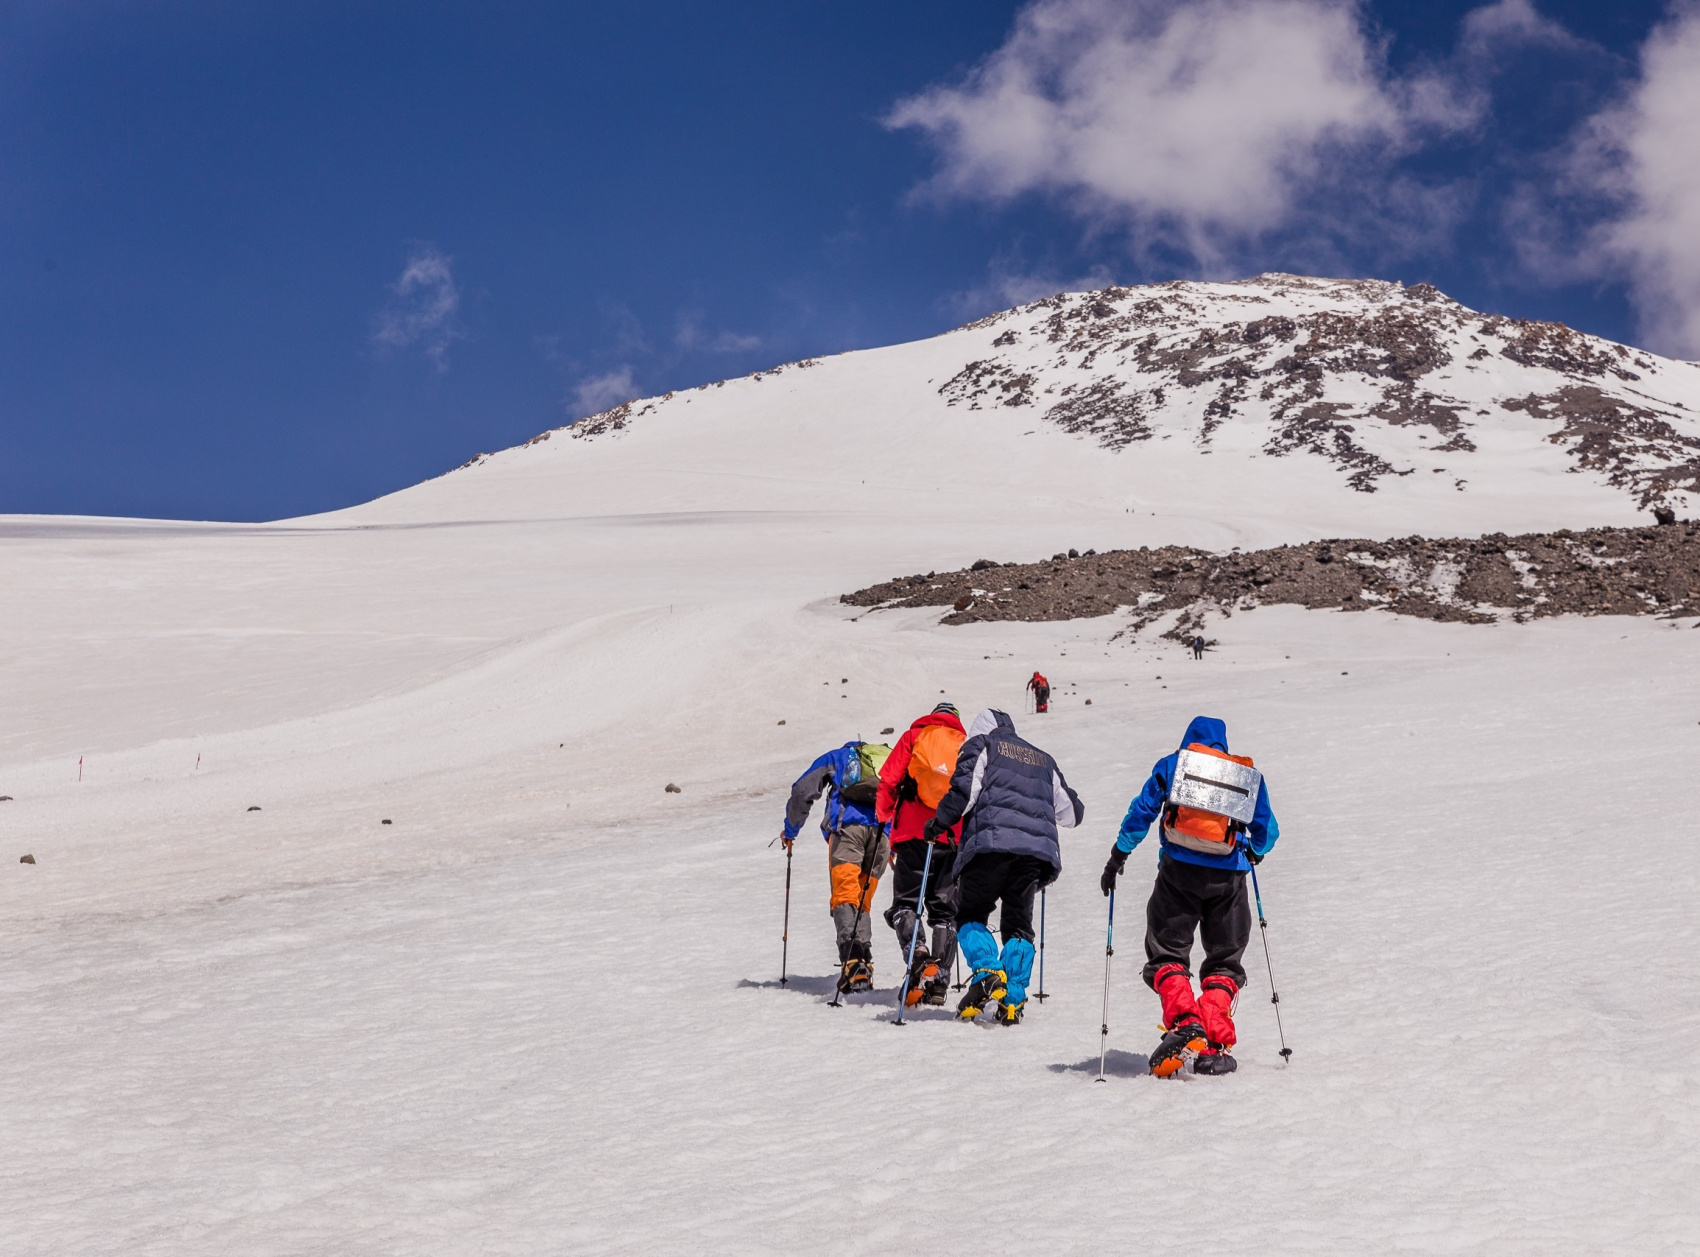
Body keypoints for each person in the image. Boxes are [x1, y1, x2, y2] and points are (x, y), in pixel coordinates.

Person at [1100, 716, 1278, 1077]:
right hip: (1229, 879)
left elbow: (1142, 811)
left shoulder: (1174, 764)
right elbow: (1266, 831)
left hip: (1177, 874)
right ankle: (1214, 1046)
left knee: (1167, 952)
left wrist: (1119, 855)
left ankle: (1185, 1022)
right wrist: (1254, 852)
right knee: (1225, 962)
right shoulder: (1246, 776)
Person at [928, 709, 1082, 1025]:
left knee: (970, 915)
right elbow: (1072, 813)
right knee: (1018, 926)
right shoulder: (1043, 759)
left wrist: (938, 823)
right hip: (1033, 856)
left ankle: (987, 971)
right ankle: (1012, 999)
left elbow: (964, 793)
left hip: (990, 847)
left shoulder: (982, 745)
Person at [781, 740, 891, 994]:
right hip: (883, 835)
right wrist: (894, 845)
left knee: (845, 895)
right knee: (862, 901)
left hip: (848, 831)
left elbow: (802, 789)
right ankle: (863, 963)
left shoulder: (839, 757)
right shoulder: (887, 761)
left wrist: (791, 829)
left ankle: (853, 962)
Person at [876, 702, 967, 1005]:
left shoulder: (914, 736)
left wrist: (884, 818)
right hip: (951, 836)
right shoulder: (965, 745)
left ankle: (917, 955)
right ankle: (939, 981)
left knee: (906, 903)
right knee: (945, 911)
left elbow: (889, 781)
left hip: (913, 832)